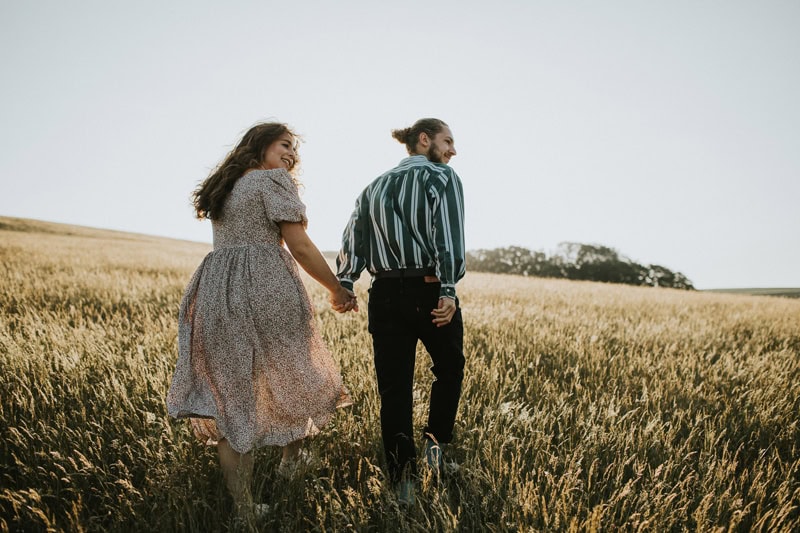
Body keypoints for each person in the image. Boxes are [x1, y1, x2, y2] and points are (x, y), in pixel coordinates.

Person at [166, 121, 357, 524]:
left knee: (231, 397)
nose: (291, 155)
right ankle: (291, 465)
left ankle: (244, 510)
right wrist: (336, 288)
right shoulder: (272, 181)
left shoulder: (226, 186)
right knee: (296, 372)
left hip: (218, 291)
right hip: (267, 287)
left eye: (294, 151)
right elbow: (300, 244)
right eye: (284, 145)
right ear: (260, 146)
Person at [336, 118, 465, 503]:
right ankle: (435, 452)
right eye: (448, 141)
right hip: (429, 291)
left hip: (385, 294)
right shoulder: (441, 177)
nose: (452, 150)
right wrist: (448, 288)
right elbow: (448, 234)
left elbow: (353, 238)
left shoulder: (372, 187)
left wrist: (345, 283)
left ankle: (402, 483)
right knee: (449, 369)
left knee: (393, 389)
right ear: (423, 140)